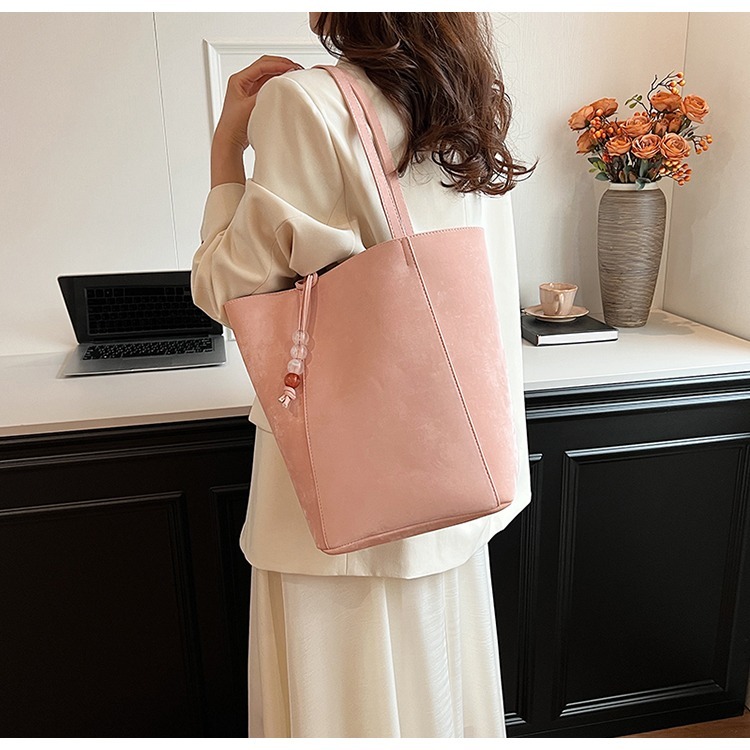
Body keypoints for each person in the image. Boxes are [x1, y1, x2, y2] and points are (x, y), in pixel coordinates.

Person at [191, 12, 533, 739]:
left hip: (343, 472)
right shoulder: (465, 104)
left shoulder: (305, 101)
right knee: (437, 688)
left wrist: (225, 150)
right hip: (454, 461)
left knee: (344, 698)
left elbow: (230, 290)